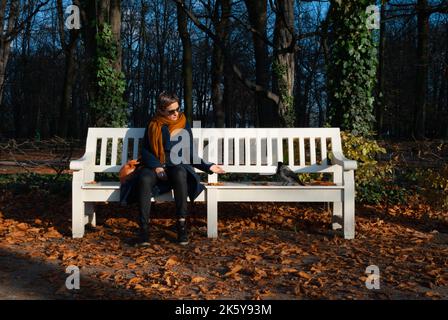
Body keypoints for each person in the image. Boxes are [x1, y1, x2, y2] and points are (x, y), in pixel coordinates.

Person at [133, 91, 225, 246]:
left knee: (181, 173)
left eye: (177, 109)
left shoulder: (183, 124)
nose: (176, 113)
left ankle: (181, 225)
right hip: (156, 166)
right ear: (161, 110)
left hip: (176, 165)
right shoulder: (153, 124)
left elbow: (189, 152)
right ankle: (144, 229)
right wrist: (156, 167)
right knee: (144, 178)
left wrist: (208, 166)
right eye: (171, 111)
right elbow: (146, 151)